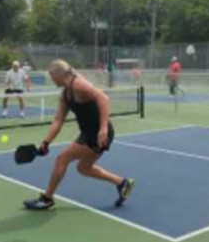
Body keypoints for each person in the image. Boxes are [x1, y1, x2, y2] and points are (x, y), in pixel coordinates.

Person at [23, 59, 134, 210]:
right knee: (84, 168)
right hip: (88, 133)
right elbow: (58, 120)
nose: (52, 80)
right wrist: (46, 142)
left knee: (62, 159)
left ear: (60, 74)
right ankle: (122, 183)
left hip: (98, 134)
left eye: (52, 76)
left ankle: (47, 199)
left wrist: (103, 129)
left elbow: (104, 99)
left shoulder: (79, 85)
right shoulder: (65, 95)